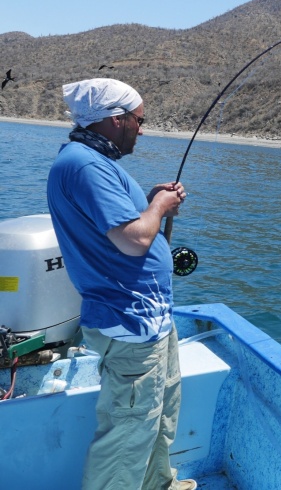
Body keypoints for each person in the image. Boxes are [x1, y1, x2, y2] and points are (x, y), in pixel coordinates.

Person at [46, 78, 196, 490]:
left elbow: (121, 225)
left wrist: (151, 201)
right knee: (129, 431)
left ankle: (157, 484)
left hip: (150, 319)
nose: (142, 129)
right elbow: (133, 240)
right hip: (128, 320)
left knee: (160, 412)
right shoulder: (86, 165)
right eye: (139, 120)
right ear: (117, 119)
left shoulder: (96, 162)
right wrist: (160, 206)